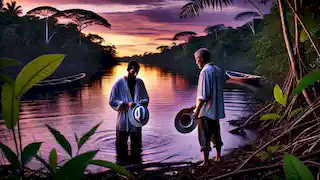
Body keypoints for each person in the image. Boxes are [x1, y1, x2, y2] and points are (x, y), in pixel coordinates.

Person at [109, 61, 149, 165]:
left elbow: (146, 98)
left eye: (136, 72)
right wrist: (125, 104)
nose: (134, 74)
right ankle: (122, 167)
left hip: (136, 119)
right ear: (127, 70)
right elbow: (111, 100)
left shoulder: (140, 82)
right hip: (123, 121)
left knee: (136, 147)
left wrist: (141, 103)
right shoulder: (119, 83)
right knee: (121, 147)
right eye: (132, 72)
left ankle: (137, 168)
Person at [190, 48, 225, 165]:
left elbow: (204, 95)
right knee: (216, 132)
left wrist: (196, 111)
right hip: (215, 110)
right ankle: (218, 157)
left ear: (201, 59)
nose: (196, 63)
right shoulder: (217, 70)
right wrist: (195, 106)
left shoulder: (205, 72)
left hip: (205, 112)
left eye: (196, 60)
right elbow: (213, 92)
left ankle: (205, 161)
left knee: (204, 135)